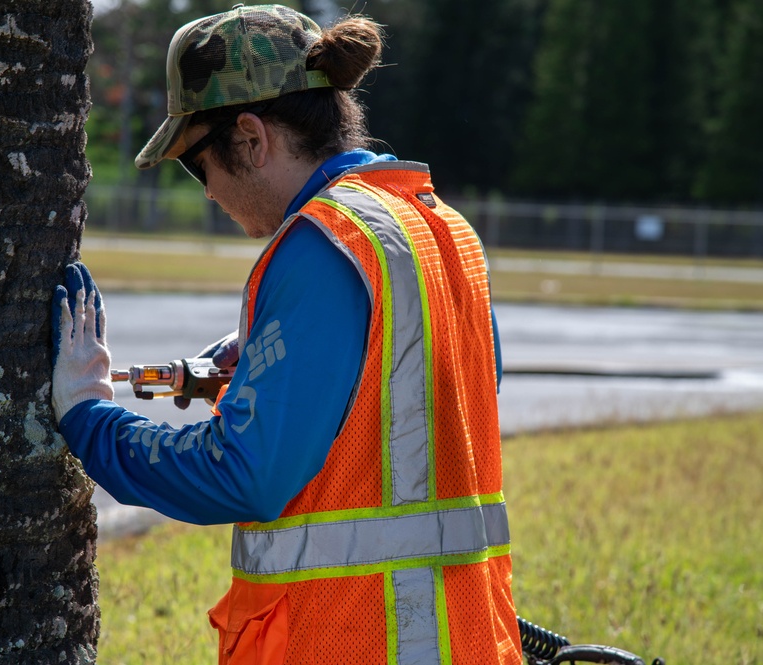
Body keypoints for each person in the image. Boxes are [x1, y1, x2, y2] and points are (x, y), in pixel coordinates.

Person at [50, 4, 520, 664]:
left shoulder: (318, 246)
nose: (207, 191)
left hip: (351, 639)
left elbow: (244, 474)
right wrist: (276, 363)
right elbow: (425, 397)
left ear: (250, 136)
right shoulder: (437, 226)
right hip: (463, 638)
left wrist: (90, 420)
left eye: (196, 162)